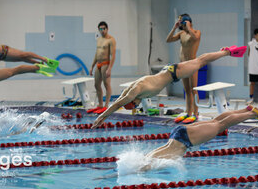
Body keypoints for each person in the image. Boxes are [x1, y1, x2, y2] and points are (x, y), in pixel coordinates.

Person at [92, 45, 247, 129]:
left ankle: (227, 52)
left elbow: (118, 103)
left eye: (135, 105)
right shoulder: (133, 90)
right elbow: (120, 99)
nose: (138, 106)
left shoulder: (135, 91)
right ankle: (225, 51)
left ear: (132, 101)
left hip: (174, 72)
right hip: (171, 72)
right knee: (200, 61)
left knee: (201, 61)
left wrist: (102, 117)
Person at [141, 105, 258, 171]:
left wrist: (145, 168)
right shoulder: (156, 155)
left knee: (220, 124)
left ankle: (252, 113)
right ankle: (246, 110)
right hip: (180, 134)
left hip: (184, 137)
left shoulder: (157, 159)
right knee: (217, 122)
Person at [166, 13, 201, 124]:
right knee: (186, 90)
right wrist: (174, 28)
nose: (180, 24)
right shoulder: (181, 33)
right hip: (182, 65)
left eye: (181, 22)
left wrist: (189, 27)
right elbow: (168, 39)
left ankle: (195, 113)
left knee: (193, 89)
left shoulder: (196, 32)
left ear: (187, 22)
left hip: (192, 64)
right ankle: (188, 112)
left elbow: (195, 38)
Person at [87, 21, 116, 114]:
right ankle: (100, 104)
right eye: (100, 29)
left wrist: (109, 68)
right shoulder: (99, 39)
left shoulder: (111, 40)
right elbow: (97, 54)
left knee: (106, 85)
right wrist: (92, 66)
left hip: (106, 64)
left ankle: (106, 105)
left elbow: (113, 55)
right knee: (96, 85)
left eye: (104, 29)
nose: (102, 30)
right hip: (98, 65)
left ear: (107, 29)